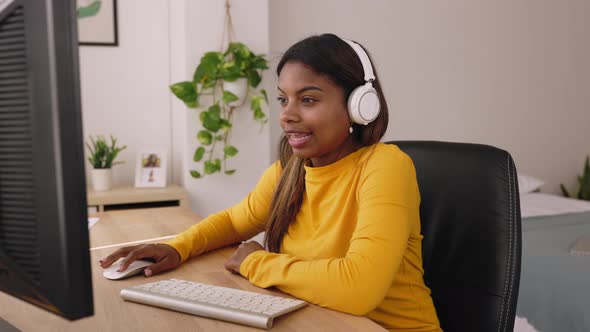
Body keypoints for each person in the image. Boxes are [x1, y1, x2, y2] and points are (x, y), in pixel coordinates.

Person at [100, 33, 441, 331]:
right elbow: (235, 221)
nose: (286, 115)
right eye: (283, 99)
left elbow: (358, 288)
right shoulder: (289, 171)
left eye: (307, 99)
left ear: (358, 106)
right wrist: (178, 247)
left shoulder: (385, 166)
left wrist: (255, 262)